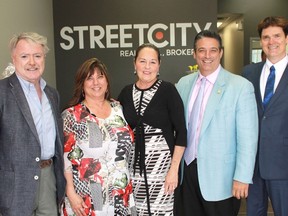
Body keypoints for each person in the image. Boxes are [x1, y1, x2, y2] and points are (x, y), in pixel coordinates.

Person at [176, 30, 258, 216]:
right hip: (187, 175)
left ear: (220, 53)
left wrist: (242, 177)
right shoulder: (183, 84)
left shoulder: (240, 87)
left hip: (222, 179)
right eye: (202, 50)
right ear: (194, 53)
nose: (207, 56)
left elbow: (248, 138)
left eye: (213, 50)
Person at [0, 32, 66, 215]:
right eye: (24, 56)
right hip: (14, 186)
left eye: (37, 56)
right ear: (14, 59)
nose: (32, 62)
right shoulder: (2, 92)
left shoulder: (52, 94)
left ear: (43, 58)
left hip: (49, 179)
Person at [118, 43, 187, 215]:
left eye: (153, 62)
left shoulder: (168, 90)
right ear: (134, 64)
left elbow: (181, 133)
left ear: (159, 65)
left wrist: (173, 170)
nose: (147, 67)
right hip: (134, 171)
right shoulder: (126, 93)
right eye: (142, 61)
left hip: (163, 172)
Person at [61, 57, 135, 216]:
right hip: (90, 194)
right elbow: (66, 159)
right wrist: (71, 193)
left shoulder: (118, 108)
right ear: (82, 84)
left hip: (120, 191)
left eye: (100, 76)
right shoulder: (73, 116)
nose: (96, 82)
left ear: (107, 81)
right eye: (90, 78)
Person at [242, 16, 288, 216]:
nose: (272, 42)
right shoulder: (248, 73)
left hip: (283, 165)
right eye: (266, 37)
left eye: (277, 36)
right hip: (253, 166)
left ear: (287, 38)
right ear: (261, 41)